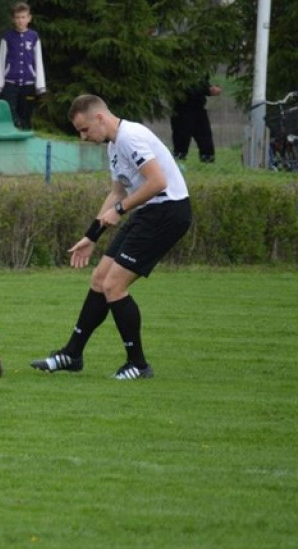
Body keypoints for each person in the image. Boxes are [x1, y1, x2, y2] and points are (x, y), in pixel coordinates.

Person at [30, 94, 191, 380]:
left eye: (84, 129)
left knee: (114, 285)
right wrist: (91, 236)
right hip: (148, 212)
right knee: (99, 278)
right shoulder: (114, 146)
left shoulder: (131, 137)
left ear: (100, 118)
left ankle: (138, 365)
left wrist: (120, 210)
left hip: (168, 212)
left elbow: (157, 182)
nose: (82, 137)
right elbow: (117, 193)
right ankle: (72, 353)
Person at [0, 1, 45, 130]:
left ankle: (26, 135)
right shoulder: (7, 37)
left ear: (29, 18)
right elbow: (1, 61)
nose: (20, 21)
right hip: (10, 82)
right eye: (17, 18)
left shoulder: (33, 37)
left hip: (28, 83)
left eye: (23, 17)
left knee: (26, 114)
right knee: (10, 112)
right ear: (13, 19)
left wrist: (40, 85)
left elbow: (38, 61)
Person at [170, 77, 221, 163]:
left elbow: (202, 83)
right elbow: (184, 86)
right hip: (182, 109)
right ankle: (179, 163)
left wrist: (210, 89)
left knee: (206, 141)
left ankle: (207, 162)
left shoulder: (200, 71)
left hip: (198, 109)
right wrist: (208, 90)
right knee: (181, 142)